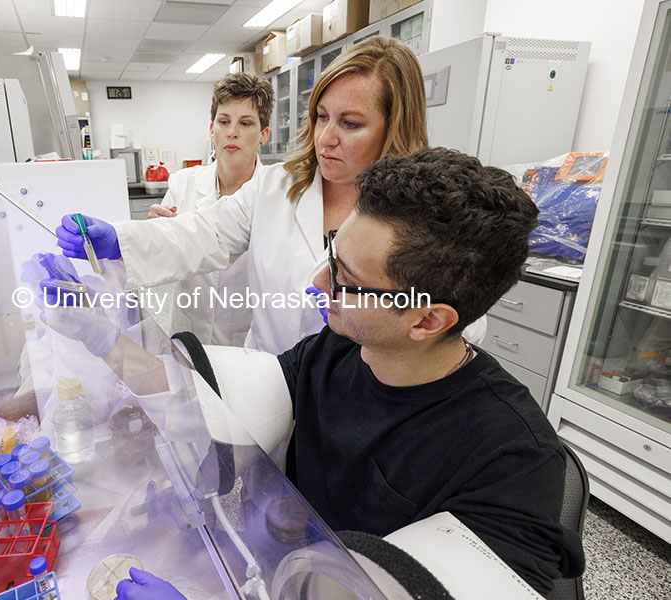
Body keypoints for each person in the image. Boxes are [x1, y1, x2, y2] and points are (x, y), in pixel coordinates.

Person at [44, 149, 584, 599]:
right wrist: (99, 337)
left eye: (345, 276)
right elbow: (213, 404)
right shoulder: (336, 351)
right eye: (331, 252)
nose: (317, 280)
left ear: (426, 319)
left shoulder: (516, 468)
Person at [56, 37, 490, 356]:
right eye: (321, 117)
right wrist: (121, 239)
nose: (326, 138)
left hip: (361, 396)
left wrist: (382, 326)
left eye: (351, 124)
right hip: (266, 376)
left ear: (394, 125)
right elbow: (206, 232)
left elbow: (462, 326)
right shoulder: (278, 185)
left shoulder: (427, 214)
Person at [146, 73, 273, 346]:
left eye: (246, 123)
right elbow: (166, 263)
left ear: (263, 135)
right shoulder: (184, 184)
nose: (232, 132)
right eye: (224, 121)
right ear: (211, 129)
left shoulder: (275, 195)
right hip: (188, 333)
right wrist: (155, 234)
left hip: (246, 338)